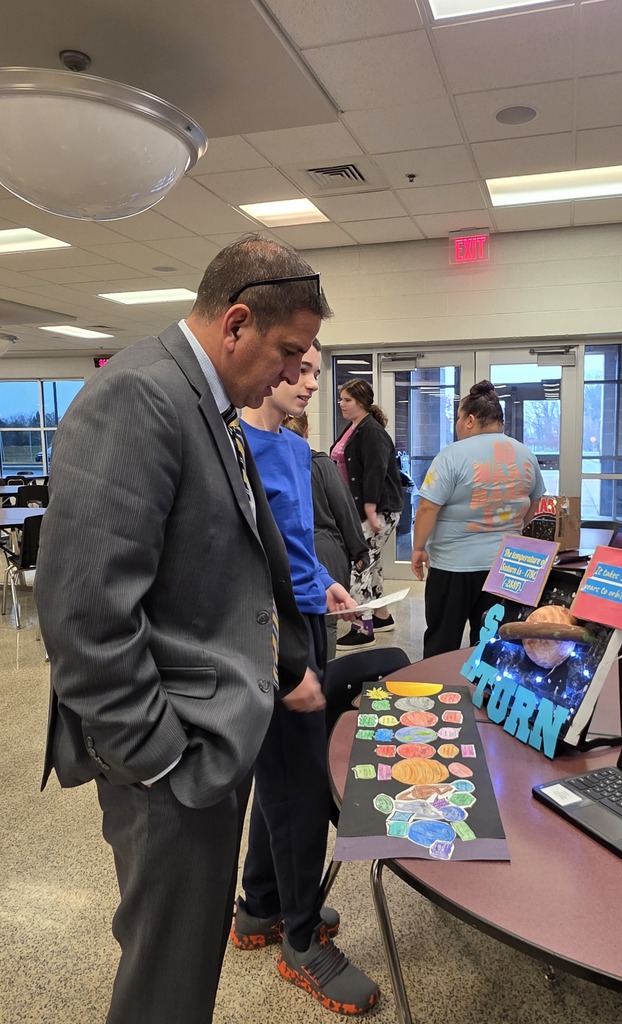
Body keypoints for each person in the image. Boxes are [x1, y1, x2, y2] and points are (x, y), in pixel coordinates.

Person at [34, 234, 331, 1024]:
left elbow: (237, 555)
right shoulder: (139, 395)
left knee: (188, 965)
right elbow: (82, 615)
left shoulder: (210, 404)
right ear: (236, 323)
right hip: (169, 760)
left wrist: (288, 659)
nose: (294, 373)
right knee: (168, 981)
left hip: (210, 731)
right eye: (288, 352)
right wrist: (164, 759)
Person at [230, 341, 380, 1014]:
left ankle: (258, 906)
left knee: (283, 780)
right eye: (303, 367)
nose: (312, 382)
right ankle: (299, 939)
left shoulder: (295, 449)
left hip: (307, 629)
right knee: (296, 786)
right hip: (269, 644)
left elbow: (292, 550)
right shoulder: (232, 451)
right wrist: (283, 664)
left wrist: (328, 587)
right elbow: (238, 569)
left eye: (320, 372)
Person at [410, 380, 546, 659]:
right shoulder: (525, 454)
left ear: (470, 420)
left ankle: (437, 693)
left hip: (453, 566)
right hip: (505, 566)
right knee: (491, 643)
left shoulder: (452, 455)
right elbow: (535, 502)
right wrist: (515, 528)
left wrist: (418, 547)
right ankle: (484, 696)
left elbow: (427, 508)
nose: (457, 424)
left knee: (442, 639)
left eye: (459, 417)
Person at [283, 411, 369, 659]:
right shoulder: (319, 463)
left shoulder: (266, 463)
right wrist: (359, 549)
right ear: (307, 431)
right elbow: (344, 509)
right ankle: (326, 677)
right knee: (327, 621)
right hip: (325, 547)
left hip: (289, 549)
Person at [331, 378, 404, 650]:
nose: (342, 404)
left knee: (358, 565)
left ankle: (363, 629)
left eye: (347, 400)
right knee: (372, 564)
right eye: (341, 399)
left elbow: (376, 470)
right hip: (362, 509)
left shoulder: (371, 431)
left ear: (361, 402)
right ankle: (382, 617)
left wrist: (371, 511)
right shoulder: (354, 428)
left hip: (377, 510)